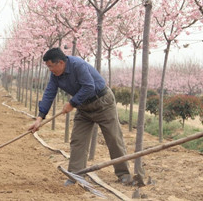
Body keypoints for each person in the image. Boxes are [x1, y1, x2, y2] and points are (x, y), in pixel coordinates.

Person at [28, 47, 132, 185]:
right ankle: (76, 175)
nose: (50, 70)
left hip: (102, 103)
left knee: (113, 138)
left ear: (60, 63)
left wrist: (72, 103)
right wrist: (40, 118)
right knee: (78, 140)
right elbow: (49, 93)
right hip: (83, 107)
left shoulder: (78, 65)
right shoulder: (55, 75)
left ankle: (124, 174)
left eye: (51, 66)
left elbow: (89, 87)